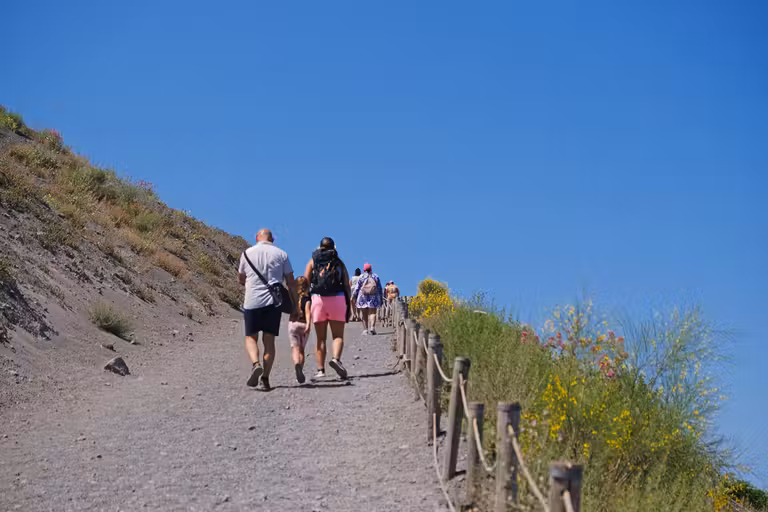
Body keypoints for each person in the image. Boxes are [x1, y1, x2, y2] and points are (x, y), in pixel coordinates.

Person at [238, 229, 297, 391]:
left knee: (251, 337)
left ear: (257, 238)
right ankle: (265, 378)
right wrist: (295, 304)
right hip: (273, 303)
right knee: (269, 341)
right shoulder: (281, 254)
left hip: (252, 301)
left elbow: (241, 278)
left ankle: (256, 364)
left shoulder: (247, 253)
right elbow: (291, 281)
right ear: (273, 239)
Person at [304, 237, 351, 380]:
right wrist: (348, 304)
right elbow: (346, 284)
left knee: (320, 338)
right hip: (337, 299)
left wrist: (305, 302)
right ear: (333, 247)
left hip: (318, 300)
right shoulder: (338, 262)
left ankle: (320, 370)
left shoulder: (313, 261)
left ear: (319, 247)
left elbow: (305, 282)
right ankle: (336, 359)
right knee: (338, 336)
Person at [288, 276, 312, 384]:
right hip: (303, 324)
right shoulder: (307, 298)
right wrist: (308, 324)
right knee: (301, 350)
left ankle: (296, 364)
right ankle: (300, 370)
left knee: (295, 348)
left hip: (293, 324)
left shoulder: (293, 297)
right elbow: (308, 312)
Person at [352, 263, 383, 335]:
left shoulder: (361, 277)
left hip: (363, 297)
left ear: (364, 269)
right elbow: (379, 288)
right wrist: (381, 297)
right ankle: (372, 327)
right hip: (373, 296)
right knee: (373, 313)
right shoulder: (375, 276)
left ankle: (365, 330)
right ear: (371, 269)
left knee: (364, 313)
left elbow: (357, 288)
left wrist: (354, 296)